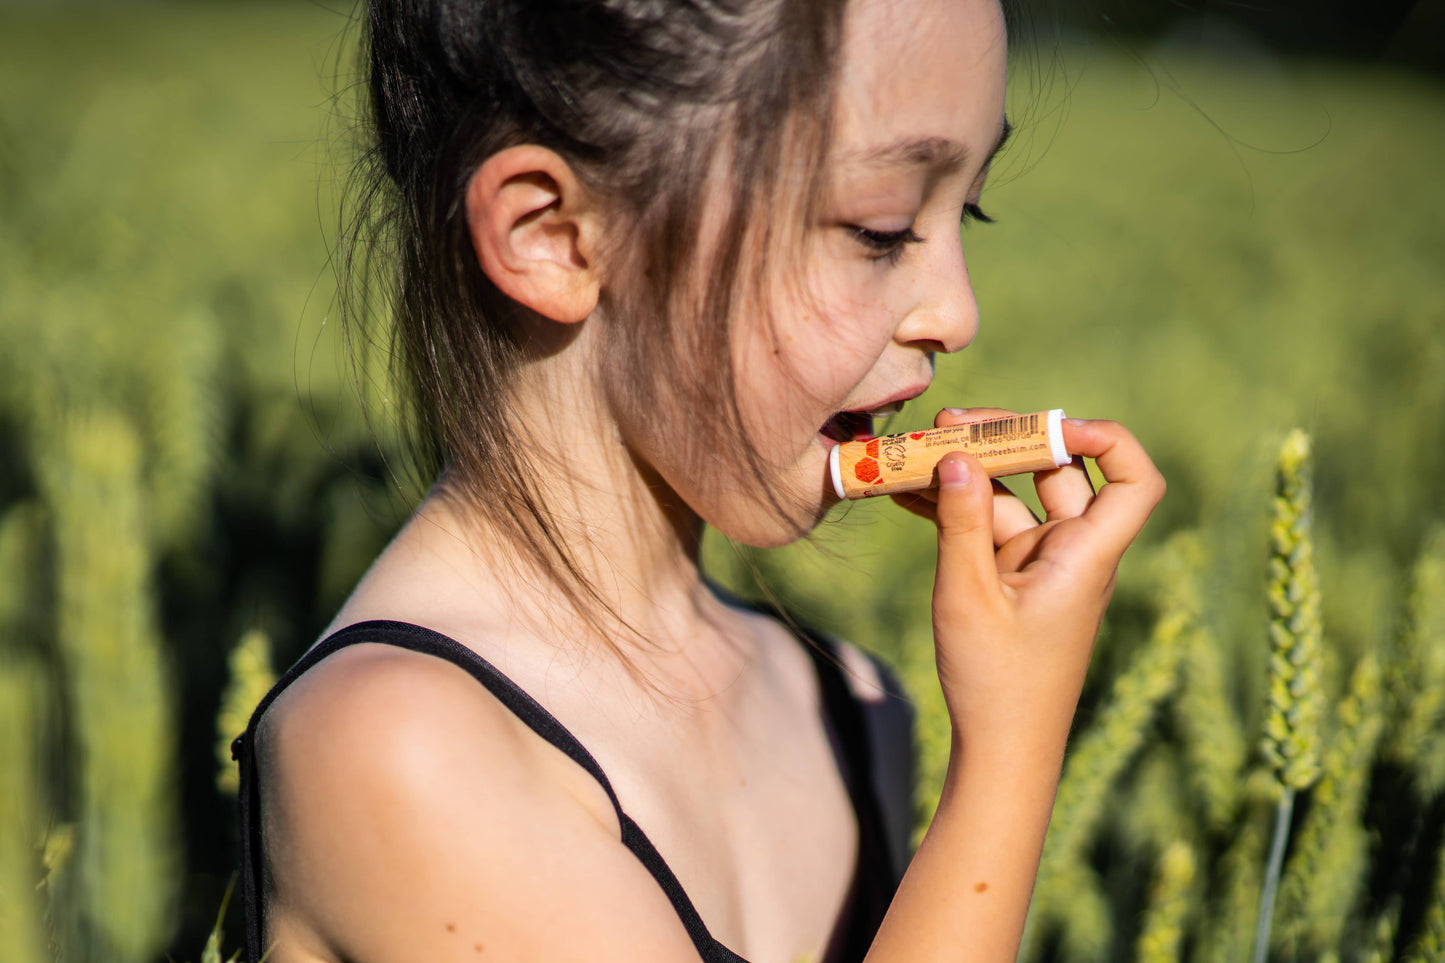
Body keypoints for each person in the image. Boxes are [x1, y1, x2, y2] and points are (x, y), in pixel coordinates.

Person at [231, 0, 1165, 960]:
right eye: (880, 227)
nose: (957, 314)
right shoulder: (397, 747)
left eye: (966, 208)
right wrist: (1010, 756)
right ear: (554, 236)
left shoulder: (846, 706)